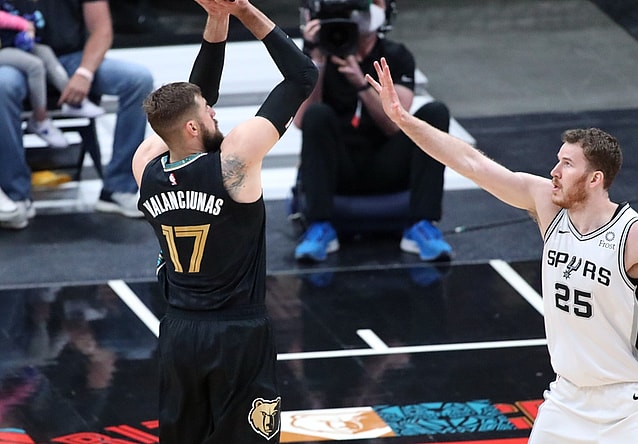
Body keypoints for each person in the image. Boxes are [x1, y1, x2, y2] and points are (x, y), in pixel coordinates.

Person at [367, 57, 638, 443]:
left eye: (566, 164)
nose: (554, 171)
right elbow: (471, 163)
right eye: (557, 160)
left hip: (632, 404)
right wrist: (403, 119)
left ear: (595, 179)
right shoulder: (547, 205)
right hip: (568, 399)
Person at [132, 0, 316, 442]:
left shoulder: (146, 167)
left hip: (179, 330)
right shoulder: (233, 162)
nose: (214, 111)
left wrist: (216, 21)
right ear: (194, 128)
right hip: (237, 332)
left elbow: (192, 101)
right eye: (207, 112)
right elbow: (302, 76)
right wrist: (243, 10)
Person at [293, 0, 453, 262]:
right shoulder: (319, 53)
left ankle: (422, 226)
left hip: (386, 162)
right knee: (317, 114)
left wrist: (361, 84)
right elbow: (301, 120)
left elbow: (394, 124)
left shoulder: (396, 55)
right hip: (339, 166)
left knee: (435, 113)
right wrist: (317, 63)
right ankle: (320, 226)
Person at [0, 0, 154, 230]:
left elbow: (102, 30)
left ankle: (119, 189)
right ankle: (16, 195)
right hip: (18, 58)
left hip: (72, 59)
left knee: (138, 79)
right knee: (3, 84)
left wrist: (84, 72)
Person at [0, 7, 105, 149]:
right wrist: (23, 24)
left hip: (12, 42)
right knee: (35, 66)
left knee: (45, 52)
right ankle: (40, 118)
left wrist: (28, 26)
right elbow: (5, 19)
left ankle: (73, 100)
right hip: (4, 50)